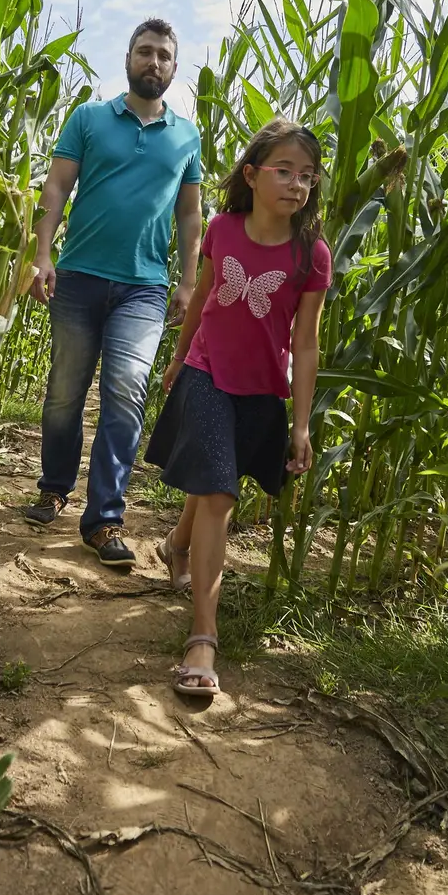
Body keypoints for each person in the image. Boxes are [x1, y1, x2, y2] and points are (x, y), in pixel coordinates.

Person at [145, 120, 329, 698]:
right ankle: (203, 637)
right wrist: (179, 358)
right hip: (207, 372)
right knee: (220, 493)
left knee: (213, 481)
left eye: (307, 175)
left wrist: (301, 425)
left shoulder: (310, 254)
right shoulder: (222, 229)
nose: (297, 184)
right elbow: (203, 297)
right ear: (251, 175)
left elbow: (305, 343)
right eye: (285, 171)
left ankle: (177, 545)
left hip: (261, 388)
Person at [25, 19, 203, 569]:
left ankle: (104, 518)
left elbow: (190, 213)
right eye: (144, 52)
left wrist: (189, 280)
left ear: (174, 68)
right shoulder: (88, 118)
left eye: (164, 56)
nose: (154, 62)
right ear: (128, 59)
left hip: (144, 287)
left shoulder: (187, 136)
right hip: (78, 276)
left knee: (126, 391)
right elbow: (57, 186)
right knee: (64, 392)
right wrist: (42, 254)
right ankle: (54, 488)